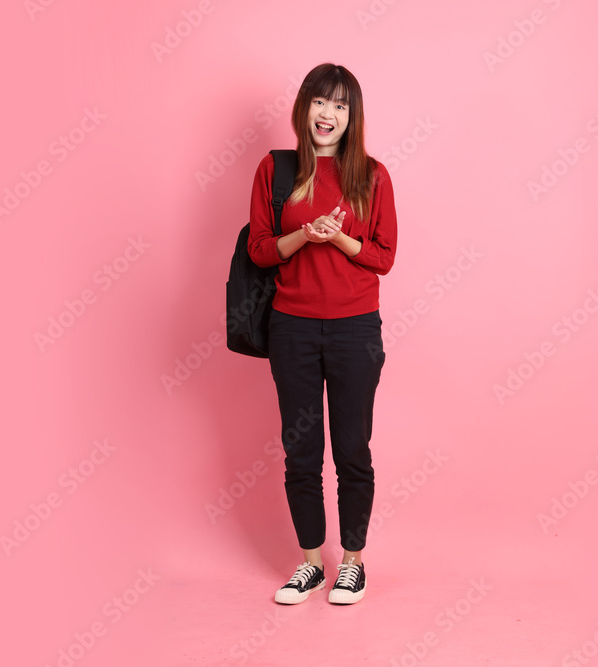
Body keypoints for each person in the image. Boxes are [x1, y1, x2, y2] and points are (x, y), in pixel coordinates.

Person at [247, 63, 397, 605]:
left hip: (356, 330)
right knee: (301, 450)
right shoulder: (276, 169)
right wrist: (304, 236)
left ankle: (352, 563)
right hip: (292, 328)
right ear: (304, 107)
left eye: (339, 105)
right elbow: (260, 250)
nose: (327, 113)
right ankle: (311, 562)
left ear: (352, 116)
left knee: (353, 447)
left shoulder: (372, 175)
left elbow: (384, 257)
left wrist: (338, 241)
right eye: (319, 101)